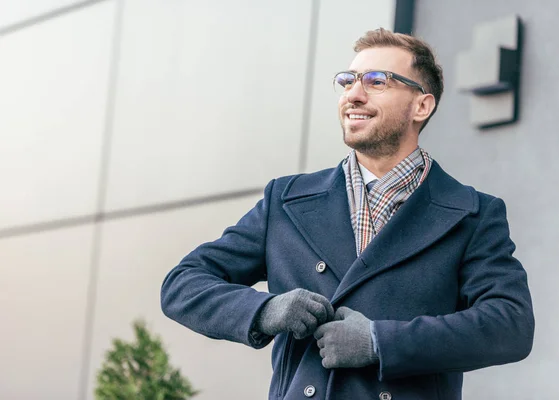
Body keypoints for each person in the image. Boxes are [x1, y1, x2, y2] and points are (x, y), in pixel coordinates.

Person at [161, 28, 534, 400]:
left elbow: (510, 325)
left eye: (377, 81)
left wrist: (380, 342)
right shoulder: (287, 201)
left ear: (421, 106)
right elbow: (183, 283)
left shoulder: (471, 214)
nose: (354, 94)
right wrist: (267, 310)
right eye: (348, 81)